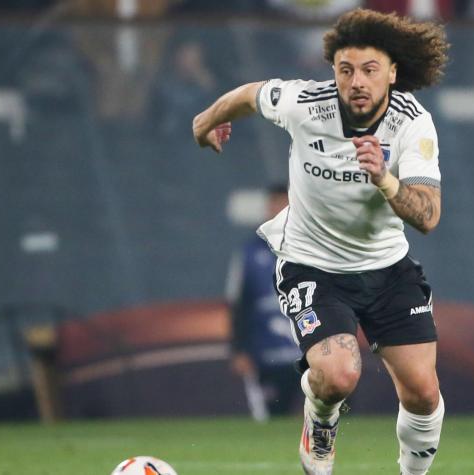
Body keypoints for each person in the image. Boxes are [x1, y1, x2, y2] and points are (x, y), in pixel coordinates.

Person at [192, 8, 448, 475]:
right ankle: (321, 421)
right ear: (333, 70)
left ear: (392, 72)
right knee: (338, 374)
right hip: (312, 265)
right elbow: (251, 94)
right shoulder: (306, 103)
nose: (356, 82)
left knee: (423, 392)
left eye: (370, 70)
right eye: (345, 69)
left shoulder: (413, 124)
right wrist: (206, 120)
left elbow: (429, 216)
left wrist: (385, 180)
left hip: (388, 269)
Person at [226, 184, 302, 421]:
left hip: (309, 351)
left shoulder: (313, 250)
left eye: (285, 203)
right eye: (275, 203)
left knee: (324, 417)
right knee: (272, 421)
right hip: (267, 354)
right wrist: (238, 349)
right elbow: (238, 304)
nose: (279, 209)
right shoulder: (249, 253)